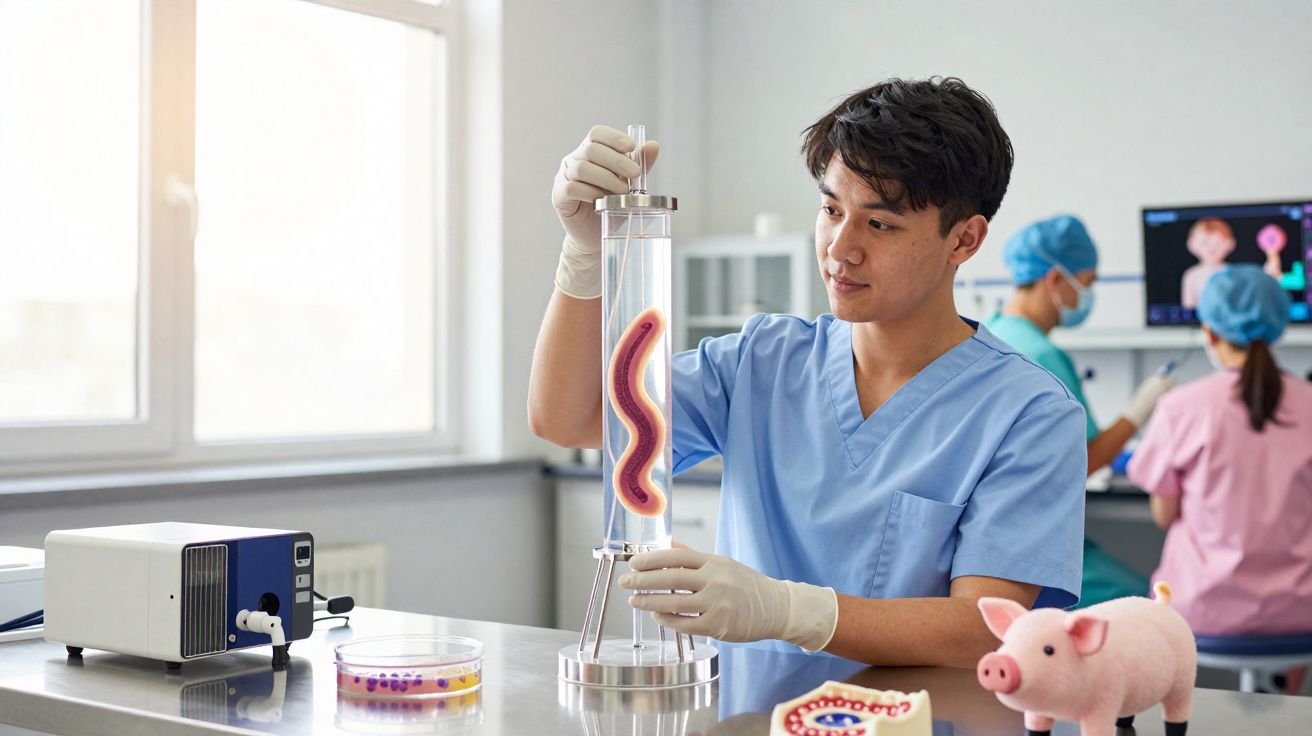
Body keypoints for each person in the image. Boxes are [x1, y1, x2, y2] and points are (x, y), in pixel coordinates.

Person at [529, 78, 1088, 666]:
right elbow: (571, 419)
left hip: (915, 715)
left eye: (880, 224)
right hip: (749, 712)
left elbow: (985, 627)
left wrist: (789, 611)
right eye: (831, 210)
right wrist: (586, 255)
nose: (840, 249)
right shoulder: (761, 362)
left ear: (964, 239)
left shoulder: (1030, 413)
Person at [986, 215, 1176, 607]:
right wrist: (1141, 408)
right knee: (1147, 604)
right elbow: (1085, 461)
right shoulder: (1041, 355)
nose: (1086, 296)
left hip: (994, 542)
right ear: (1056, 279)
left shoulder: (990, 333)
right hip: (1034, 552)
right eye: (1086, 284)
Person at [1128, 266, 1312, 645]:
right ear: (1277, 329)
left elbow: (1164, 516)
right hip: (1301, 611)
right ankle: (1285, 684)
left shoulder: (1181, 407)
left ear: (1210, 332)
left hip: (1201, 610)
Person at [1180, 218, 1236, 309]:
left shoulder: (1234, 274)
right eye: (1204, 243)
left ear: (1230, 244)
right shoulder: (1192, 275)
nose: (1211, 248)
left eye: (1217, 243)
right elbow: (1189, 306)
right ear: (1192, 244)